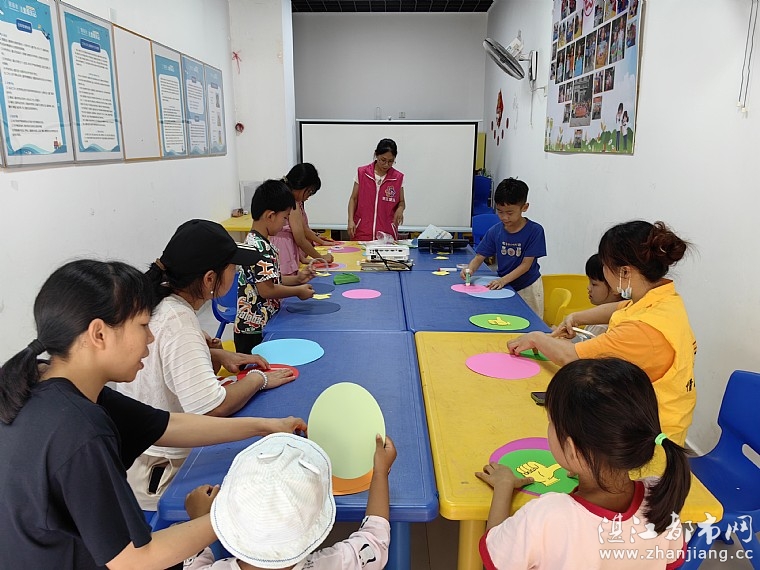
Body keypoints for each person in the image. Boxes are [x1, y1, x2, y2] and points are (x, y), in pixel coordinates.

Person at [0, 259, 306, 569]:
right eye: (143, 325)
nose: (150, 338)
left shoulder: (47, 382)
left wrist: (264, 426)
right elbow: (134, 560)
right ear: (99, 334)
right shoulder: (79, 430)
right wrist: (229, 512)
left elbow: (167, 425)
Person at [117, 219, 298, 510]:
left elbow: (162, 362)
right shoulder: (179, 321)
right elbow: (211, 408)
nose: (237, 272)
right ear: (210, 279)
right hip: (164, 473)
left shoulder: (156, 301)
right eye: (233, 267)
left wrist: (215, 355)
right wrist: (258, 379)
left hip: (143, 457)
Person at [476, 358, 691, 569]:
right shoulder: (662, 496)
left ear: (573, 450)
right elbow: (670, 560)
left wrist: (503, 486)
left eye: (551, 422)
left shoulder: (547, 516)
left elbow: (497, 557)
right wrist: (587, 467)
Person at [506, 220, 697, 445]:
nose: (604, 272)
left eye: (605, 265)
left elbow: (572, 356)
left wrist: (536, 338)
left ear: (624, 271)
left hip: (648, 439)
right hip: (656, 416)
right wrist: (577, 317)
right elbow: (620, 308)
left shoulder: (642, 331)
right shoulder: (663, 299)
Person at [183, 432, 397, 570]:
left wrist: (199, 519)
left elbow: (194, 564)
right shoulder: (333, 564)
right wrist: (380, 472)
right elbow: (374, 542)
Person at [235, 180, 316, 354]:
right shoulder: (259, 248)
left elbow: (270, 280)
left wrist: (298, 279)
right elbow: (267, 290)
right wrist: (298, 291)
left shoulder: (260, 242)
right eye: (284, 218)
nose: (285, 223)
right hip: (253, 330)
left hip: (263, 324)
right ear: (271, 216)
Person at [461, 178, 546, 318]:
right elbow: (479, 256)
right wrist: (470, 269)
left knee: (531, 323)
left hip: (527, 286)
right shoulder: (495, 231)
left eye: (510, 213)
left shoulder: (535, 231)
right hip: (505, 284)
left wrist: (502, 280)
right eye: (500, 212)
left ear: (524, 207)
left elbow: (526, 265)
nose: (504, 217)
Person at [270, 163, 335, 275]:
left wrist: (303, 258)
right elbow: (300, 239)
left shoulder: (283, 197)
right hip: (283, 251)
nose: (308, 197)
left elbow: (298, 231)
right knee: (285, 281)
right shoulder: (292, 204)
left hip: (279, 249)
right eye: (309, 192)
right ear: (301, 186)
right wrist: (321, 258)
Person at [347, 138, 405, 241]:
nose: (386, 164)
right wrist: (350, 220)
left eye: (391, 161)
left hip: (386, 235)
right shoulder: (363, 173)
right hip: (362, 231)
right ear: (376, 155)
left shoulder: (397, 177)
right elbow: (353, 199)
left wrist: (400, 209)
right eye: (383, 160)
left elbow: (401, 202)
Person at [582, 253, 623, 336]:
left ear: (615, 288)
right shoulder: (597, 317)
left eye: (594, 284)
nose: (588, 288)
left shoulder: (602, 327)